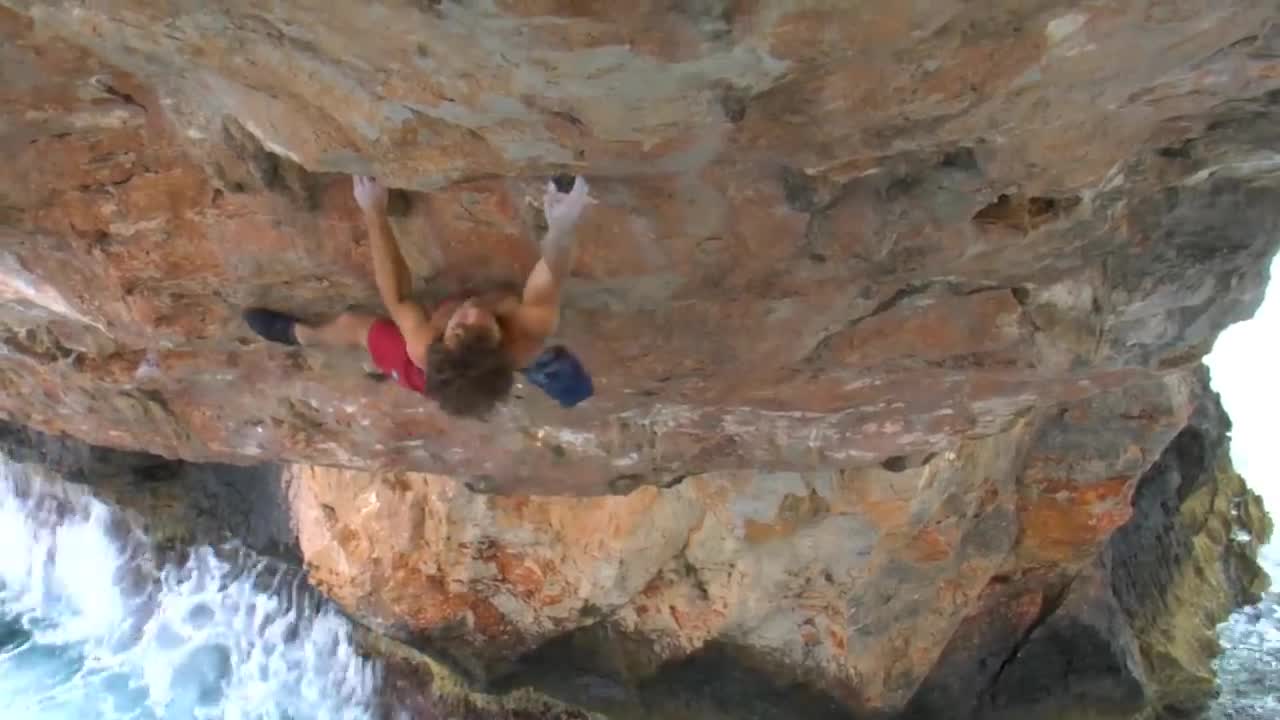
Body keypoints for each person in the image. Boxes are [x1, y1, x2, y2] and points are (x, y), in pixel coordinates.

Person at [243, 174, 596, 418]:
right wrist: (562, 229)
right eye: (482, 328)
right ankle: (557, 382)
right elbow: (551, 274)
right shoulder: (528, 332)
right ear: (499, 346)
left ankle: (301, 336)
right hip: (486, 361)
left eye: (460, 328)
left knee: (354, 325)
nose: (472, 313)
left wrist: (373, 210)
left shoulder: (423, 348)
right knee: (559, 370)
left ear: (443, 339)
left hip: (427, 374)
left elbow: (396, 297)